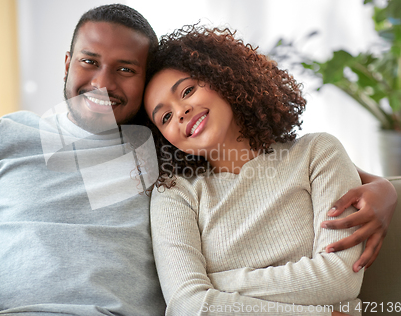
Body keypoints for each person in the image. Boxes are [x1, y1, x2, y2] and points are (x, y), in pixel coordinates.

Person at [0, 4, 397, 315]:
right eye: (88, 61)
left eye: (125, 70)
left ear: (141, 84)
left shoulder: (156, 150)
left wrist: (384, 187)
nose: (102, 82)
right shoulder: (4, 141)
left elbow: (278, 161)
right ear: (66, 62)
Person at [142, 25, 380, 315]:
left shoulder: (318, 153)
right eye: (165, 116)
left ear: (222, 78)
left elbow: (340, 278)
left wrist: (216, 286)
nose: (180, 112)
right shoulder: (175, 193)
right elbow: (187, 306)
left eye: (188, 90)